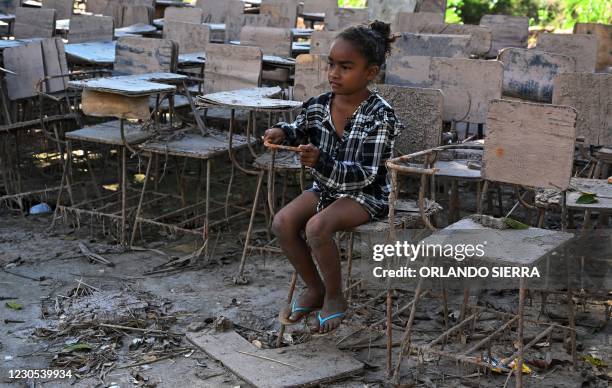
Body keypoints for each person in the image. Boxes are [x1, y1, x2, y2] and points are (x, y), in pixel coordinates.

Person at [264, 21, 403, 335]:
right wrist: (282, 133)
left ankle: (336, 296)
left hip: (368, 194)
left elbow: (366, 174)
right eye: (331, 65)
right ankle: (315, 288)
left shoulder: (380, 115)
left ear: (370, 73)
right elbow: (299, 128)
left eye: (346, 67)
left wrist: (321, 162)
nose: (334, 73)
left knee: (316, 227)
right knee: (283, 222)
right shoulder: (318, 105)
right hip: (327, 188)